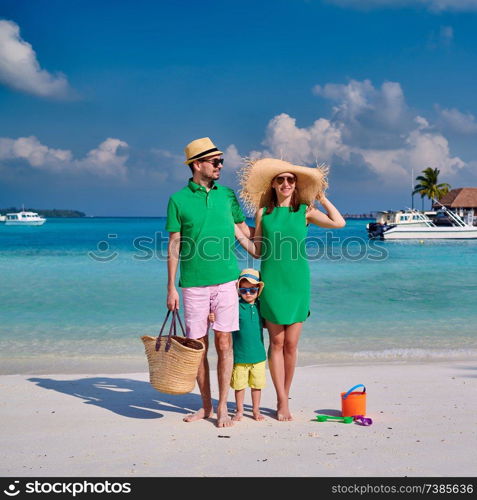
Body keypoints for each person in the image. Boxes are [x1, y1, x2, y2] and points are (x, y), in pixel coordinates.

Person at [235, 158, 345, 421]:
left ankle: (285, 396)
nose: (286, 183)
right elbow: (259, 250)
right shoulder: (264, 213)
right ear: (273, 184)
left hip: (297, 283)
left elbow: (339, 223)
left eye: (290, 180)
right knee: (277, 342)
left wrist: (322, 197)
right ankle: (282, 401)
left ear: (296, 185)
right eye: (280, 179)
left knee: (292, 345)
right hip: (272, 283)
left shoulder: (305, 211)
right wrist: (238, 236)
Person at [166, 137, 252, 428]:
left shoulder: (227, 195)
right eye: (215, 161)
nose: (220, 165)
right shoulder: (178, 200)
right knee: (199, 346)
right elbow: (174, 244)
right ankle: (205, 405)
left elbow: (244, 231)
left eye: (221, 161)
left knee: (225, 342)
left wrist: (277, 222)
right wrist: (170, 287)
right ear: (197, 164)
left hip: (227, 279)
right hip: (192, 283)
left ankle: (223, 408)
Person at [209, 268, 266, 422]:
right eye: (244, 290)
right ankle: (240, 410)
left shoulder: (262, 307)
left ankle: (256, 410)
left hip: (259, 356)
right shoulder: (235, 306)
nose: (248, 293)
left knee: (256, 386)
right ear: (238, 290)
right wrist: (213, 315)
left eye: (252, 290)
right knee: (239, 386)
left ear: (258, 290)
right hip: (239, 356)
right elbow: (221, 316)